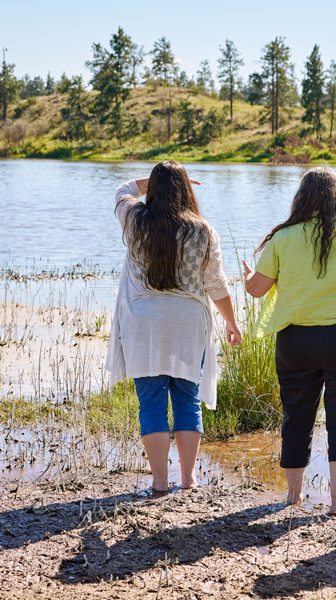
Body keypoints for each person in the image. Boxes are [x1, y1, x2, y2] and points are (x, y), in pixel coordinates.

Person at [242, 166, 336, 515]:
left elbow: (257, 290)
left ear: (301, 198)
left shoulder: (283, 239)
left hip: (297, 341)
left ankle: (293, 497)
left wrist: (247, 277)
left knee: (296, 417)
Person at [105, 160, 241, 494]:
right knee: (186, 400)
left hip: (142, 324)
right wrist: (232, 322)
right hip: (188, 325)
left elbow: (122, 191)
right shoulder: (203, 231)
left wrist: (149, 183)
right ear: (185, 191)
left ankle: (160, 482)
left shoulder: (134, 221)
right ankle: (189, 479)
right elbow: (217, 286)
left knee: (151, 402)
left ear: (153, 189)